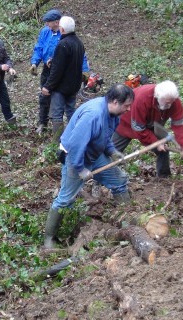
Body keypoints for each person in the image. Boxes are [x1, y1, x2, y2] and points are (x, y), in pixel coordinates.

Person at [44, 84, 134, 249]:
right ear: (114, 101)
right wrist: (81, 169)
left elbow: (105, 136)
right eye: (126, 105)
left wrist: (112, 151)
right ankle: (49, 239)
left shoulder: (113, 114)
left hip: (94, 153)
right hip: (75, 156)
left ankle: (129, 221)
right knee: (65, 199)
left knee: (119, 180)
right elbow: (75, 145)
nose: (128, 109)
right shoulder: (93, 115)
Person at [112, 80, 183, 178]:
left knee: (163, 149)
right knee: (112, 153)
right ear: (157, 96)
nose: (169, 105)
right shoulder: (142, 98)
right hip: (126, 123)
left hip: (152, 124)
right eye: (167, 102)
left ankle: (164, 177)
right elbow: (138, 128)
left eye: (171, 102)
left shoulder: (173, 101)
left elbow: (179, 123)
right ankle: (98, 179)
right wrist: (155, 142)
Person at [30, 9, 90, 135]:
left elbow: (80, 55)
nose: (47, 24)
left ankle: (62, 133)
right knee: (44, 97)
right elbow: (39, 47)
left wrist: (84, 70)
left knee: (60, 102)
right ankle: (43, 123)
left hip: (62, 72)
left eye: (49, 22)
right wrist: (35, 62)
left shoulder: (66, 38)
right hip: (49, 69)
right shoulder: (45, 32)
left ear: (57, 23)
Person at [41, 16, 86, 141]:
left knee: (57, 115)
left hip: (61, 87)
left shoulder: (63, 44)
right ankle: (75, 138)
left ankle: (56, 143)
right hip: (74, 86)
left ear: (62, 29)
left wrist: (47, 86)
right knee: (71, 112)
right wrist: (54, 61)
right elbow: (69, 62)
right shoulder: (79, 43)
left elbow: (57, 71)